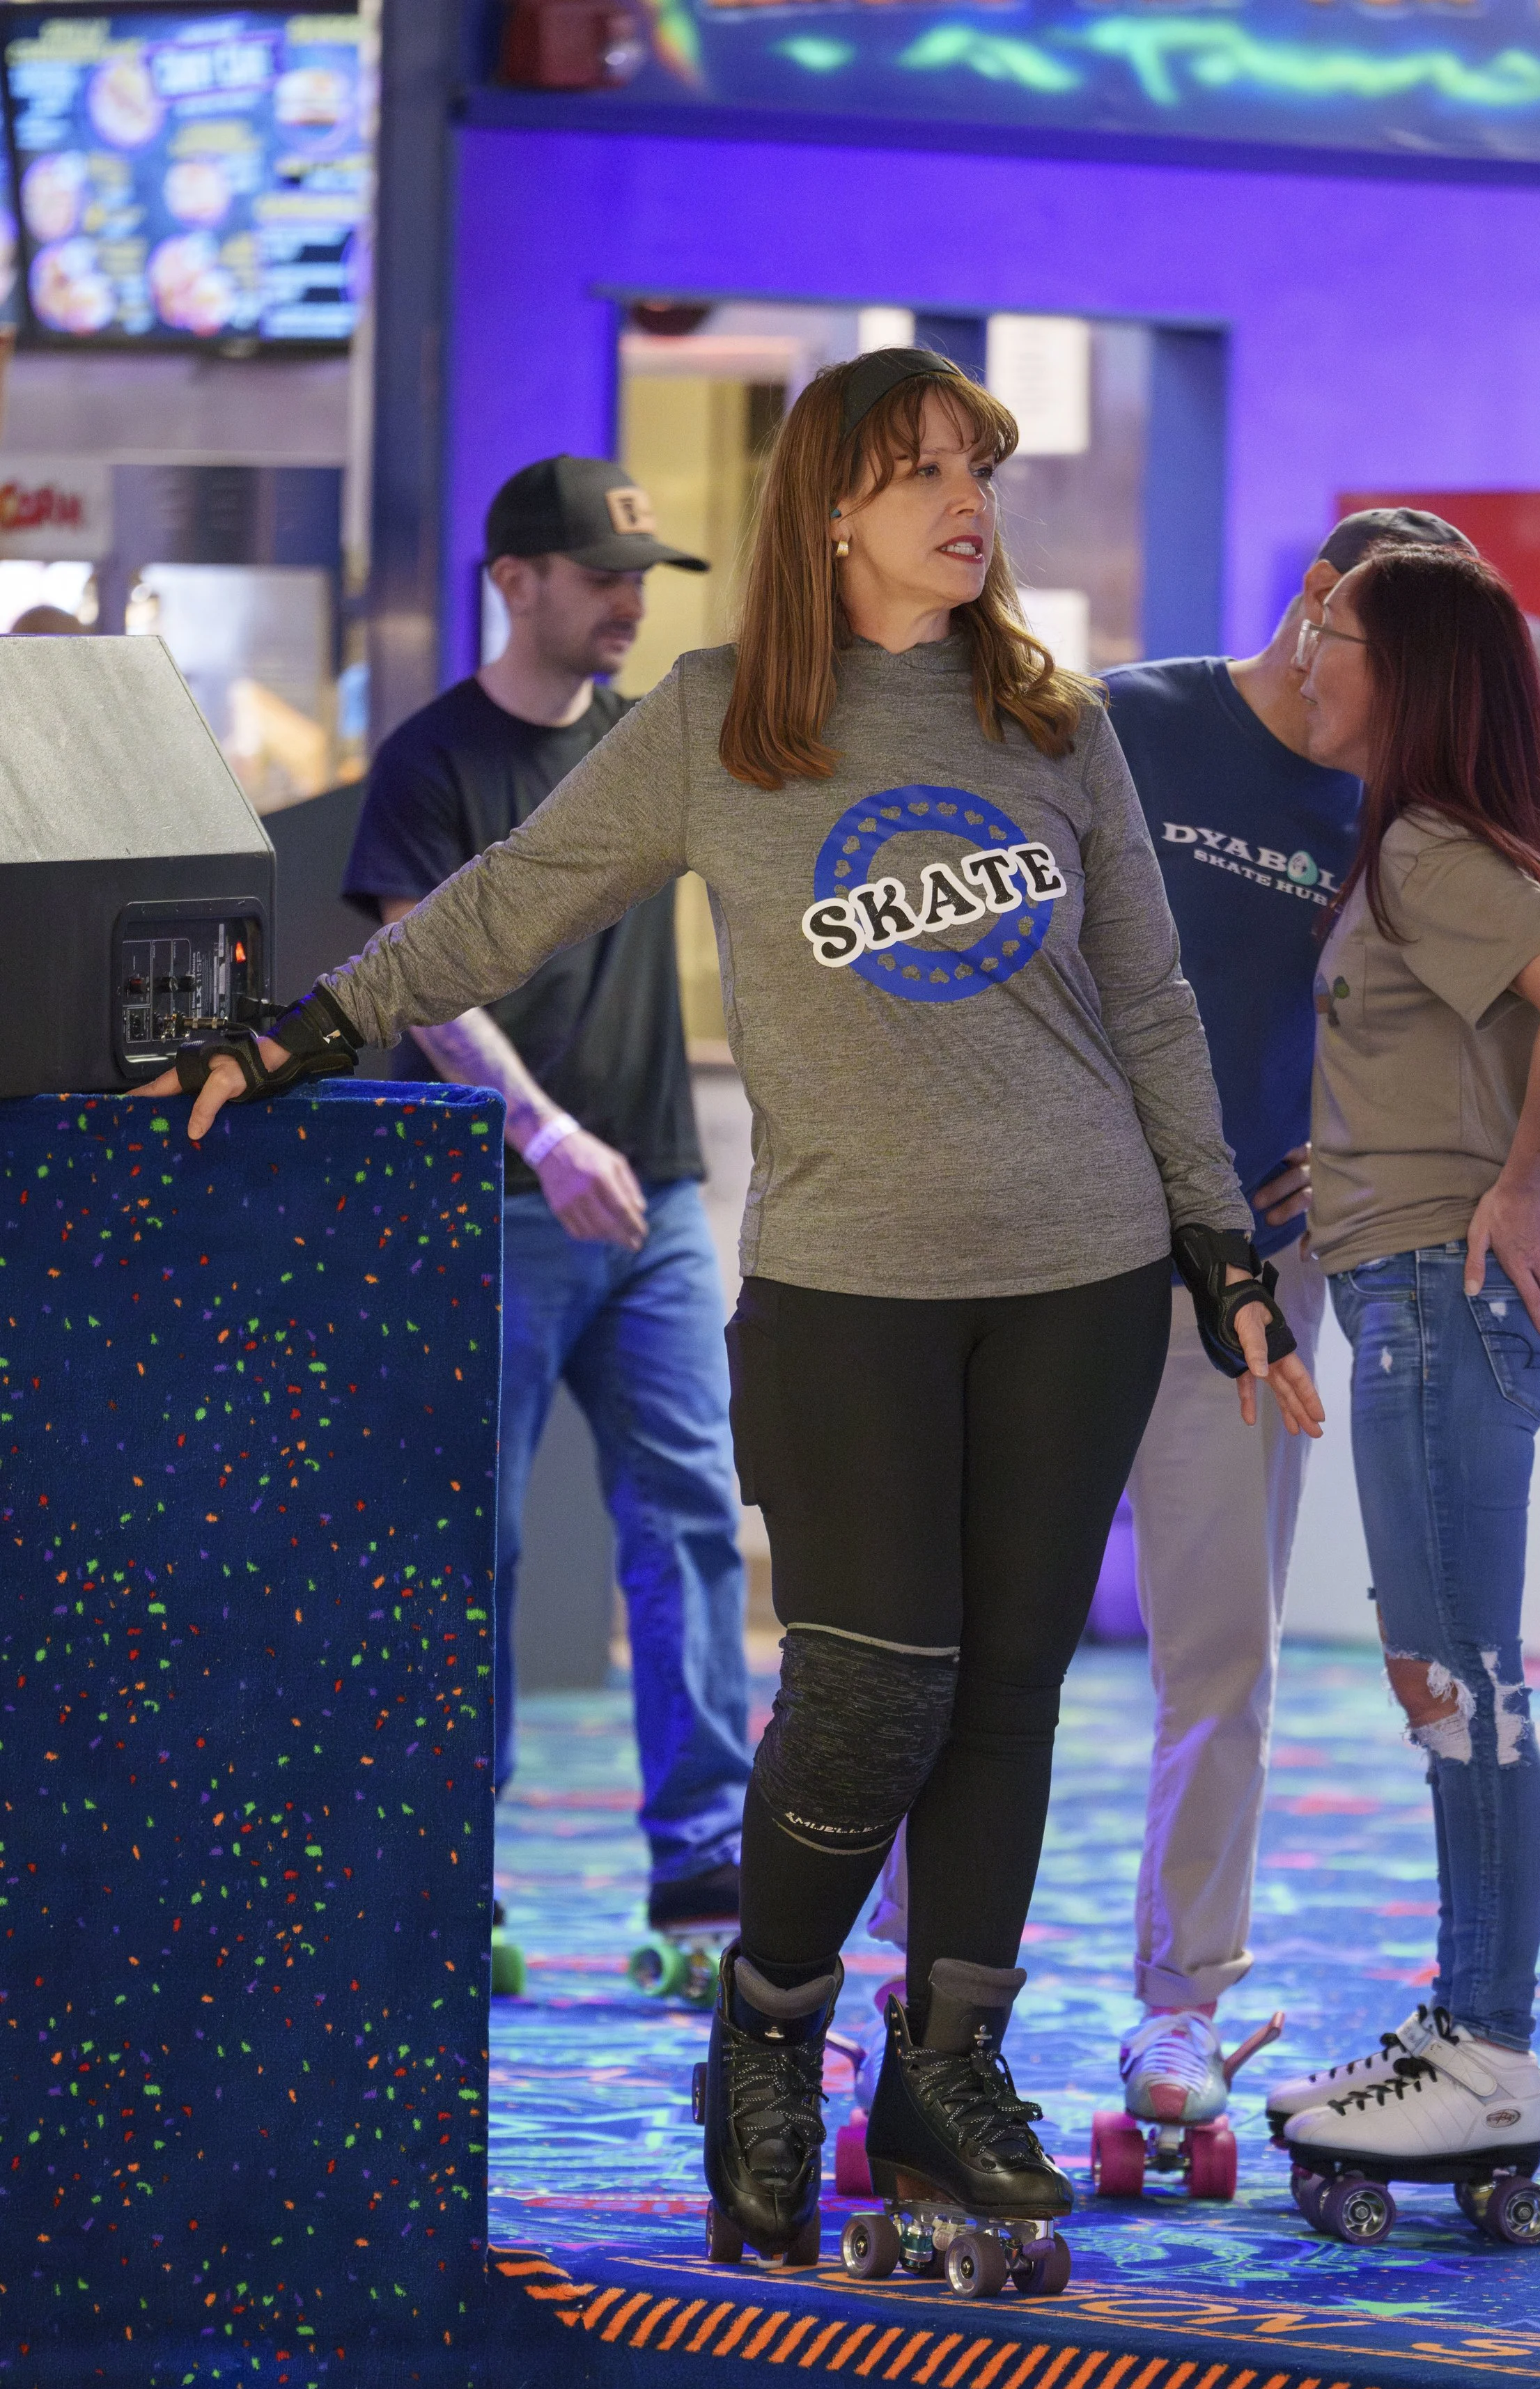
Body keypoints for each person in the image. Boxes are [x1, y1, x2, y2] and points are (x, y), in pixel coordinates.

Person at [145, 349, 1321, 2273]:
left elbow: (1153, 1000)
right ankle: (768, 2036)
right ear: (830, 510)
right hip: (850, 1280)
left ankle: (948, 2063)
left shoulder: (1054, 722)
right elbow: (506, 899)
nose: (967, 499)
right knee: (869, 1687)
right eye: (924, 468)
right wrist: (309, 1023)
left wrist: (1224, 1254)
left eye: (980, 468)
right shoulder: (720, 724)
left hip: (1082, 1266)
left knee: (1010, 1691)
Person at [1096, 507, 1474, 2139]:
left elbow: (1485, 1011)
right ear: (1318, 606)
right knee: (970, 1645)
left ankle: (1178, 2009)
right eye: (1382, 671)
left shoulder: (1385, 806)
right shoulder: (1122, 721)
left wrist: (1366, 1137)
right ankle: (904, 1980)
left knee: (1221, 1655)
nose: (1387, 726)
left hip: (1249, 1280)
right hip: (1042, 1248)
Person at [340, 453, 754, 1938]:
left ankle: (703, 1864)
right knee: (473, 1538)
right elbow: (421, 978)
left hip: (651, 1201)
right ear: (513, 583)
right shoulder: (431, 763)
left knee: (691, 1521)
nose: (630, 604)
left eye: (645, 579)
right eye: (602, 578)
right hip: (491, 1205)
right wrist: (541, 1138)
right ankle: (462, 1878)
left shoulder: (652, 745)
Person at [1263, 544, 1540, 2161]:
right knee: (1441, 1681)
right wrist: (1340, 1162)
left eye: (1330, 630)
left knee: (1464, 1690)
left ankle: (1486, 2049)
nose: (1304, 652)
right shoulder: (1430, 844)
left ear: (1404, 672)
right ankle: (1469, 2024)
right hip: (1412, 1281)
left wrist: (1515, 1185)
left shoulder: (1421, 845)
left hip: (1438, 1295)